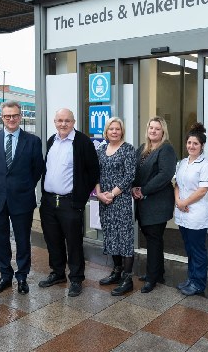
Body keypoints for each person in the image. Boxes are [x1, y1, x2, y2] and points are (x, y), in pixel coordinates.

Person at [0, 101, 43, 295]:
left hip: (22, 198)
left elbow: (37, 169)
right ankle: (5, 276)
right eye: (7, 116)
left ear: (20, 117)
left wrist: (24, 185)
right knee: (0, 240)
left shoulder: (33, 140)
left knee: (23, 240)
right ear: (2, 117)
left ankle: (22, 277)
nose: (11, 119)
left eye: (15, 116)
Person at [39, 108, 99, 297]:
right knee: (53, 241)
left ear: (73, 122)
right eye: (59, 120)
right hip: (49, 202)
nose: (63, 124)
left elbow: (93, 171)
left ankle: (76, 278)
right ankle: (57, 273)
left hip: (70, 203)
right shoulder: (52, 140)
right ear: (55, 122)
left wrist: (80, 198)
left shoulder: (82, 142)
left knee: (73, 243)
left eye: (67, 121)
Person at [132, 116, 177, 293]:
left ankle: (152, 278)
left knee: (154, 239)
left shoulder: (166, 149)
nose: (153, 131)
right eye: (151, 128)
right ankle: (158, 272)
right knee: (152, 238)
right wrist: (133, 187)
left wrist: (143, 190)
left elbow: (164, 175)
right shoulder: (143, 148)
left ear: (163, 131)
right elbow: (134, 170)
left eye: (157, 129)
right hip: (143, 202)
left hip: (158, 202)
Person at [94, 117, 136, 296]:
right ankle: (116, 271)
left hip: (121, 201)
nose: (114, 131)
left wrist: (112, 193)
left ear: (122, 131)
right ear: (106, 131)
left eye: (117, 129)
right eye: (111, 129)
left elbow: (130, 176)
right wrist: (99, 194)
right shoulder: (101, 149)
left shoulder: (128, 149)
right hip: (105, 201)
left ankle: (127, 279)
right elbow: (95, 173)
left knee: (124, 238)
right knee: (111, 237)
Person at [174, 122, 208, 296]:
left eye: (195, 144)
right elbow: (175, 183)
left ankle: (199, 283)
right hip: (182, 213)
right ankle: (191, 279)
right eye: (189, 143)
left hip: (196, 214)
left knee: (198, 250)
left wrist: (185, 203)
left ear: (202, 146)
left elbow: (202, 190)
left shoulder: (206, 166)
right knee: (189, 249)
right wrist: (178, 201)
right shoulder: (182, 163)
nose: (191, 146)